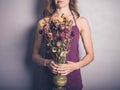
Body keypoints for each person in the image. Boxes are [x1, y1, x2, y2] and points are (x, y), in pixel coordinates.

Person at [32, 0, 94, 90]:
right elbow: (35, 55)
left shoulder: (81, 21)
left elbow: (90, 55)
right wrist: (47, 62)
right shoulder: (43, 23)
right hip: (49, 79)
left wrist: (75, 66)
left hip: (72, 79)